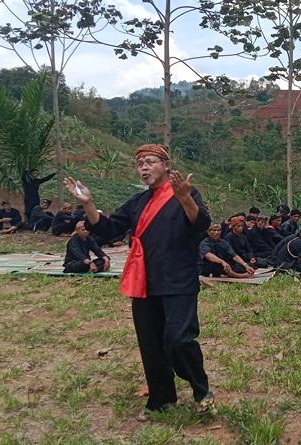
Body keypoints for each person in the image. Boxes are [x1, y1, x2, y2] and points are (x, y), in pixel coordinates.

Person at [63, 143, 216, 419]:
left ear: (166, 165)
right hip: (145, 281)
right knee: (150, 344)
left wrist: (185, 199)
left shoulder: (186, 193)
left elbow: (200, 224)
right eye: (140, 164)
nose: (143, 167)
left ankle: (200, 389)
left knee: (178, 340)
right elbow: (108, 228)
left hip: (179, 280)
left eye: (149, 162)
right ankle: (162, 399)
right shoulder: (137, 202)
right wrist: (88, 203)